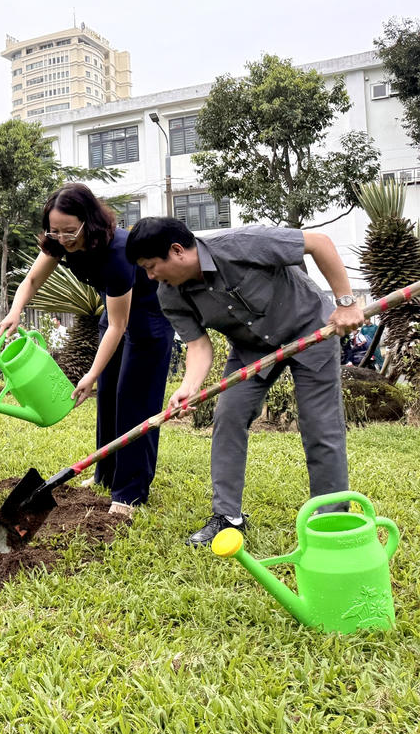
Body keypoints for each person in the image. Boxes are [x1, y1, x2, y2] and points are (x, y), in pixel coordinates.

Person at [126, 217, 364, 546]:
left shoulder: (241, 244)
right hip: (251, 349)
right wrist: (189, 386)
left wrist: (346, 303)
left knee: (320, 424)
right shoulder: (170, 295)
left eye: (152, 267)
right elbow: (198, 345)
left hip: (311, 329)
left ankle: (332, 518)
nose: (151, 276)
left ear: (177, 251)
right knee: (228, 417)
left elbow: (318, 242)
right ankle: (227, 518)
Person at [0, 184, 173, 517]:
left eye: (69, 230)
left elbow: (122, 327)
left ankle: (130, 493)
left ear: (89, 222)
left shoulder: (118, 251)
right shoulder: (58, 241)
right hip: (116, 316)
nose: (62, 238)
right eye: (55, 230)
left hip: (148, 321)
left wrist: (90, 374)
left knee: (135, 403)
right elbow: (32, 281)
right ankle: (106, 475)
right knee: (108, 400)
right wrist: (15, 310)